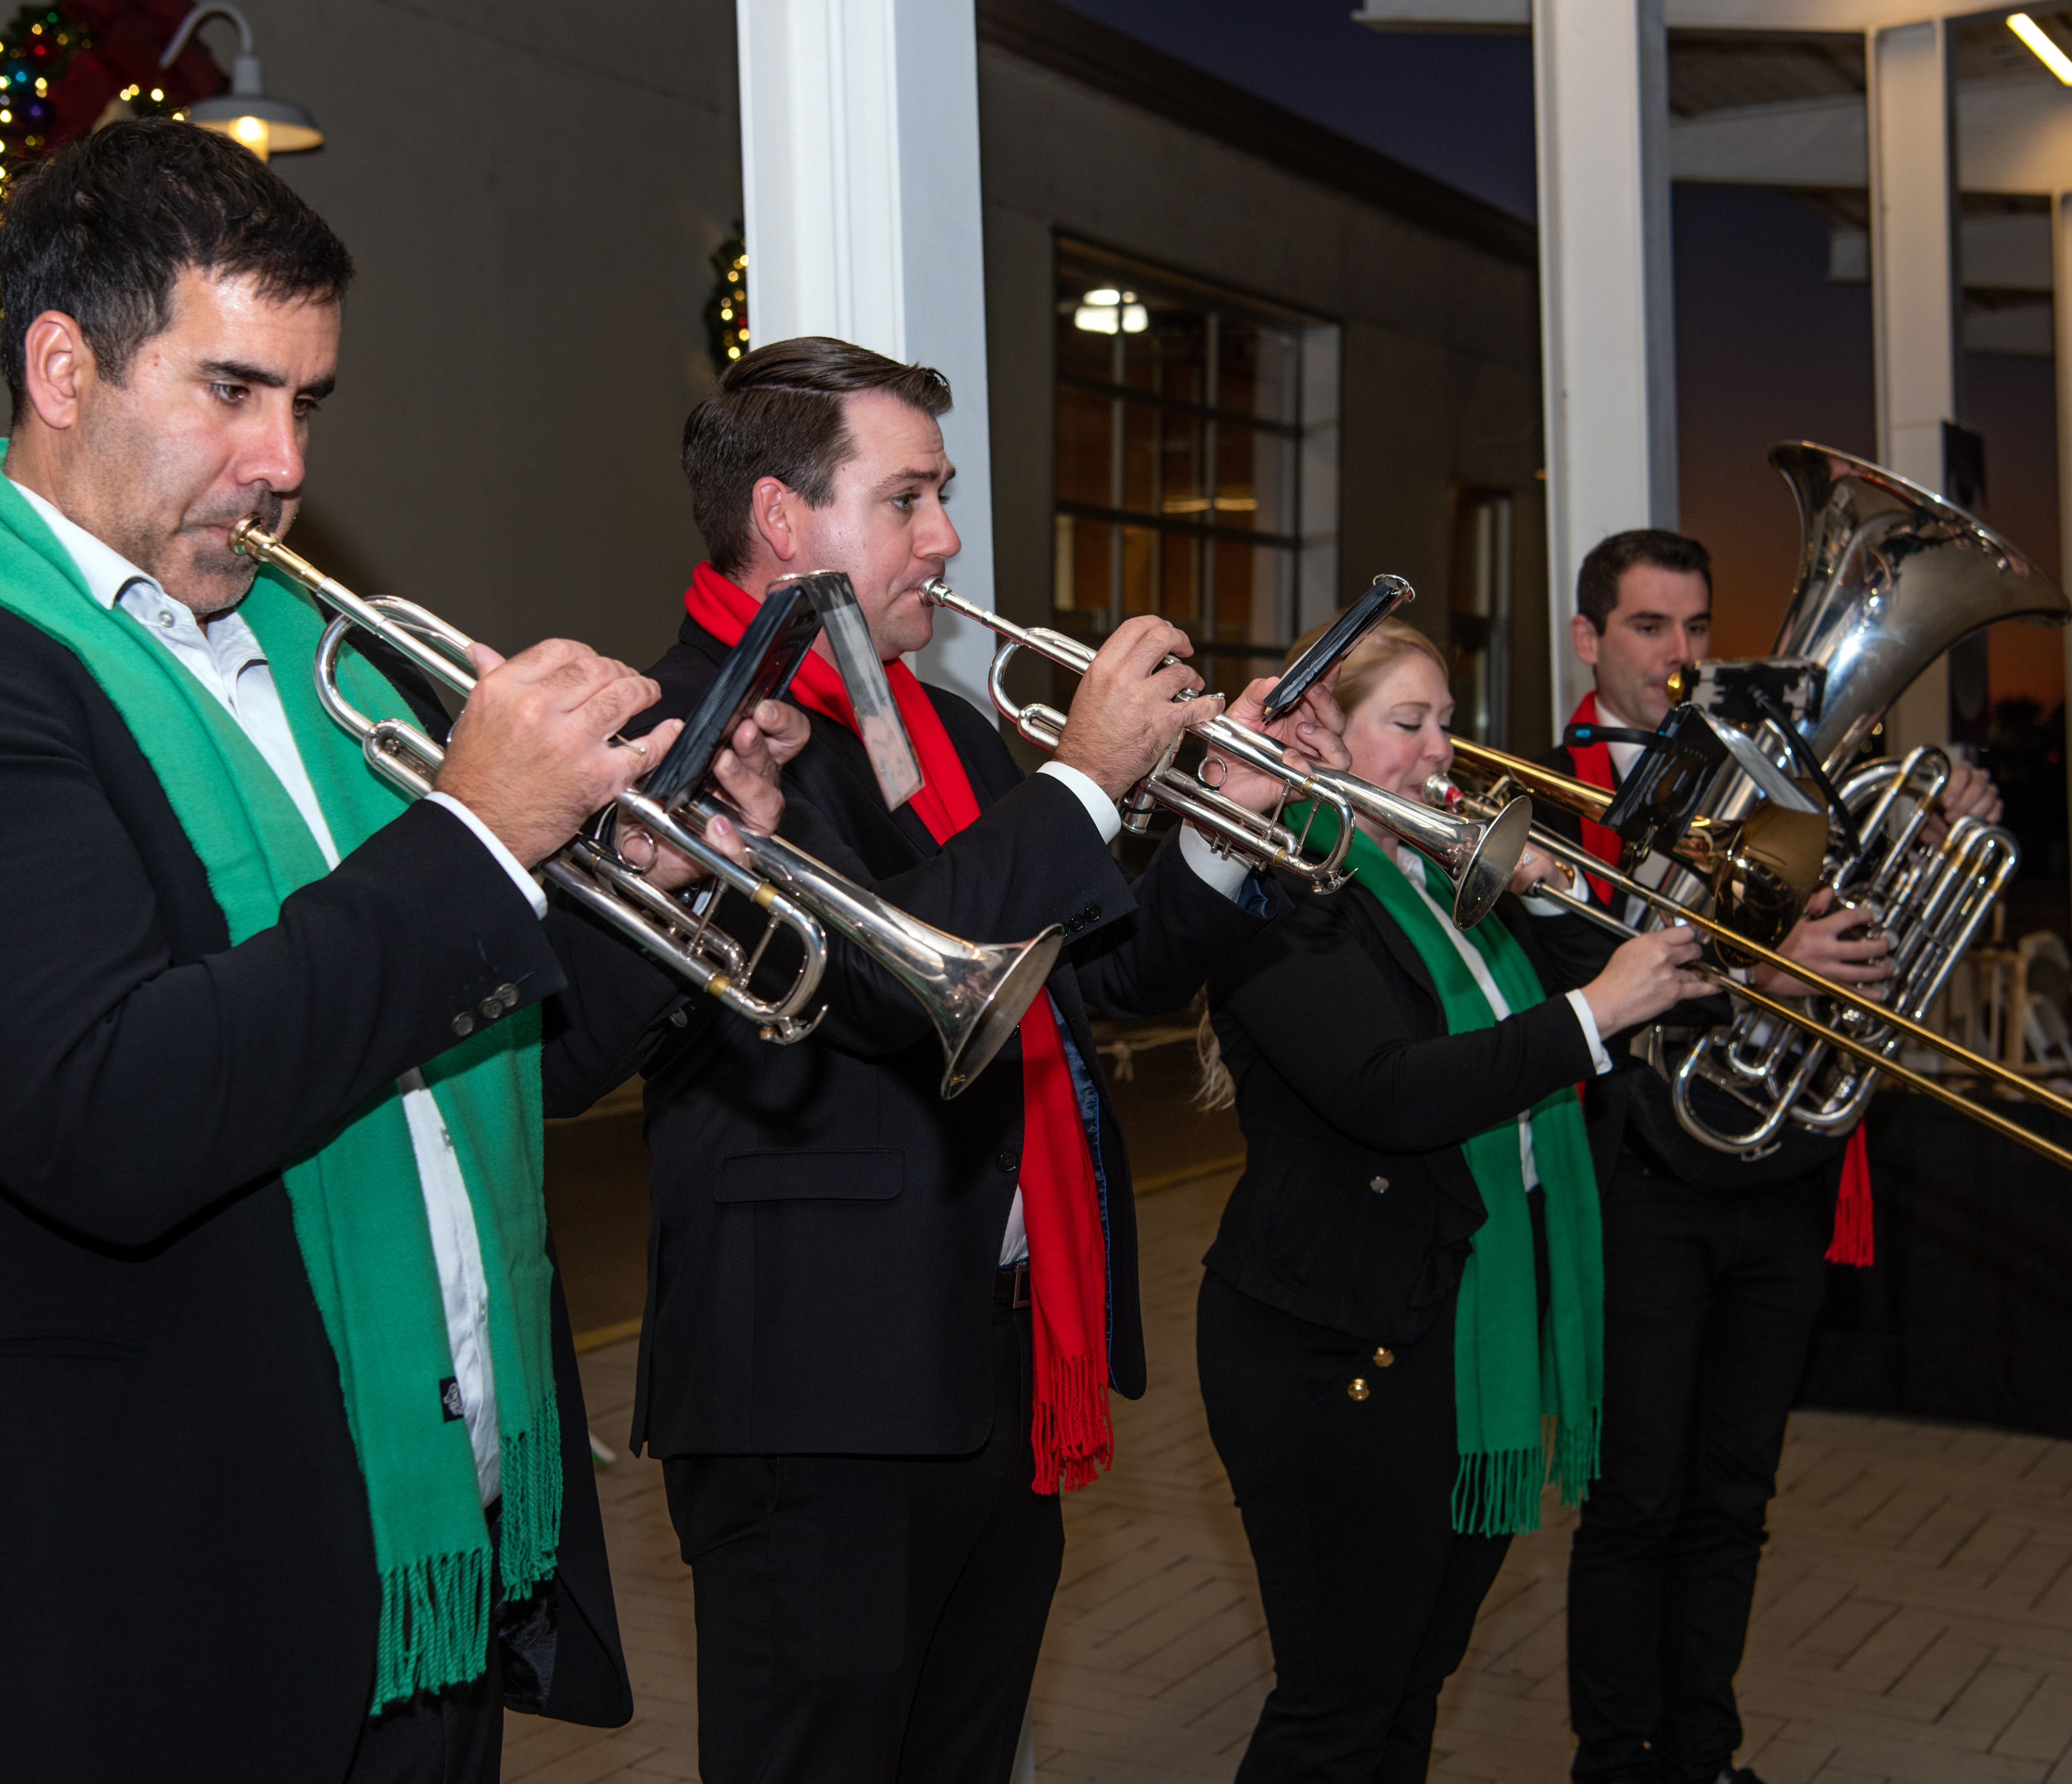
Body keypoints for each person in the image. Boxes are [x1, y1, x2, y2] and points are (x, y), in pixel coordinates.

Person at [0, 119, 793, 1783]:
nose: (284, 458)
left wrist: (666, 895)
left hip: (408, 1573)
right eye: (232, 389)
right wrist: (471, 838)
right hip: (110, 1614)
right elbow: (116, 1113)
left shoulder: (320, 667)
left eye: (306, 402)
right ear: (60, 366)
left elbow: (469, 1058)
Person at [625, 336, 1335, 1784]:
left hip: (987, 1360)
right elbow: (894, 988)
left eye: (938, 497)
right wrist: (1080, 779)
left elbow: (1080, 984)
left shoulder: (936, 724)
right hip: (818, 1389)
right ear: (781, 520)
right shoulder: (685, 730)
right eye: (908, 499)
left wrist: (1209, 829)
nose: (944, 539)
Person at [1195, 618, 1706, 1783]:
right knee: (1340, 1701)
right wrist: (1592, 1017)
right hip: (1331, 1348)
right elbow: (1392, 1093)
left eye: (1446, 724)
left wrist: (1557, 887)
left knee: (1413, 1682)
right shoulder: (1287, 878)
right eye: (1408, 725)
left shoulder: (1449, 883)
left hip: (1454, 1331)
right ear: (1324, 738)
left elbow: (1637, 977)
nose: (1442, 755)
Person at [1550, 530, 2001, 1784]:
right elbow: (1572, 984)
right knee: (1636, 1496)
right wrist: (1759, 964)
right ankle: (1614, 1760)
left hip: (1777, 1183)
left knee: (1734, 1500)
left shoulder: (1796, 779)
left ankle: (1703, 1753)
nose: (1683, 657)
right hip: (1640, 1182)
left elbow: (1868, 950)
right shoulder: (1549, 788)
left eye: (1698, 629)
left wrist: (1941, 835)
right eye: (1651, 628)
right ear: (1591, 641)